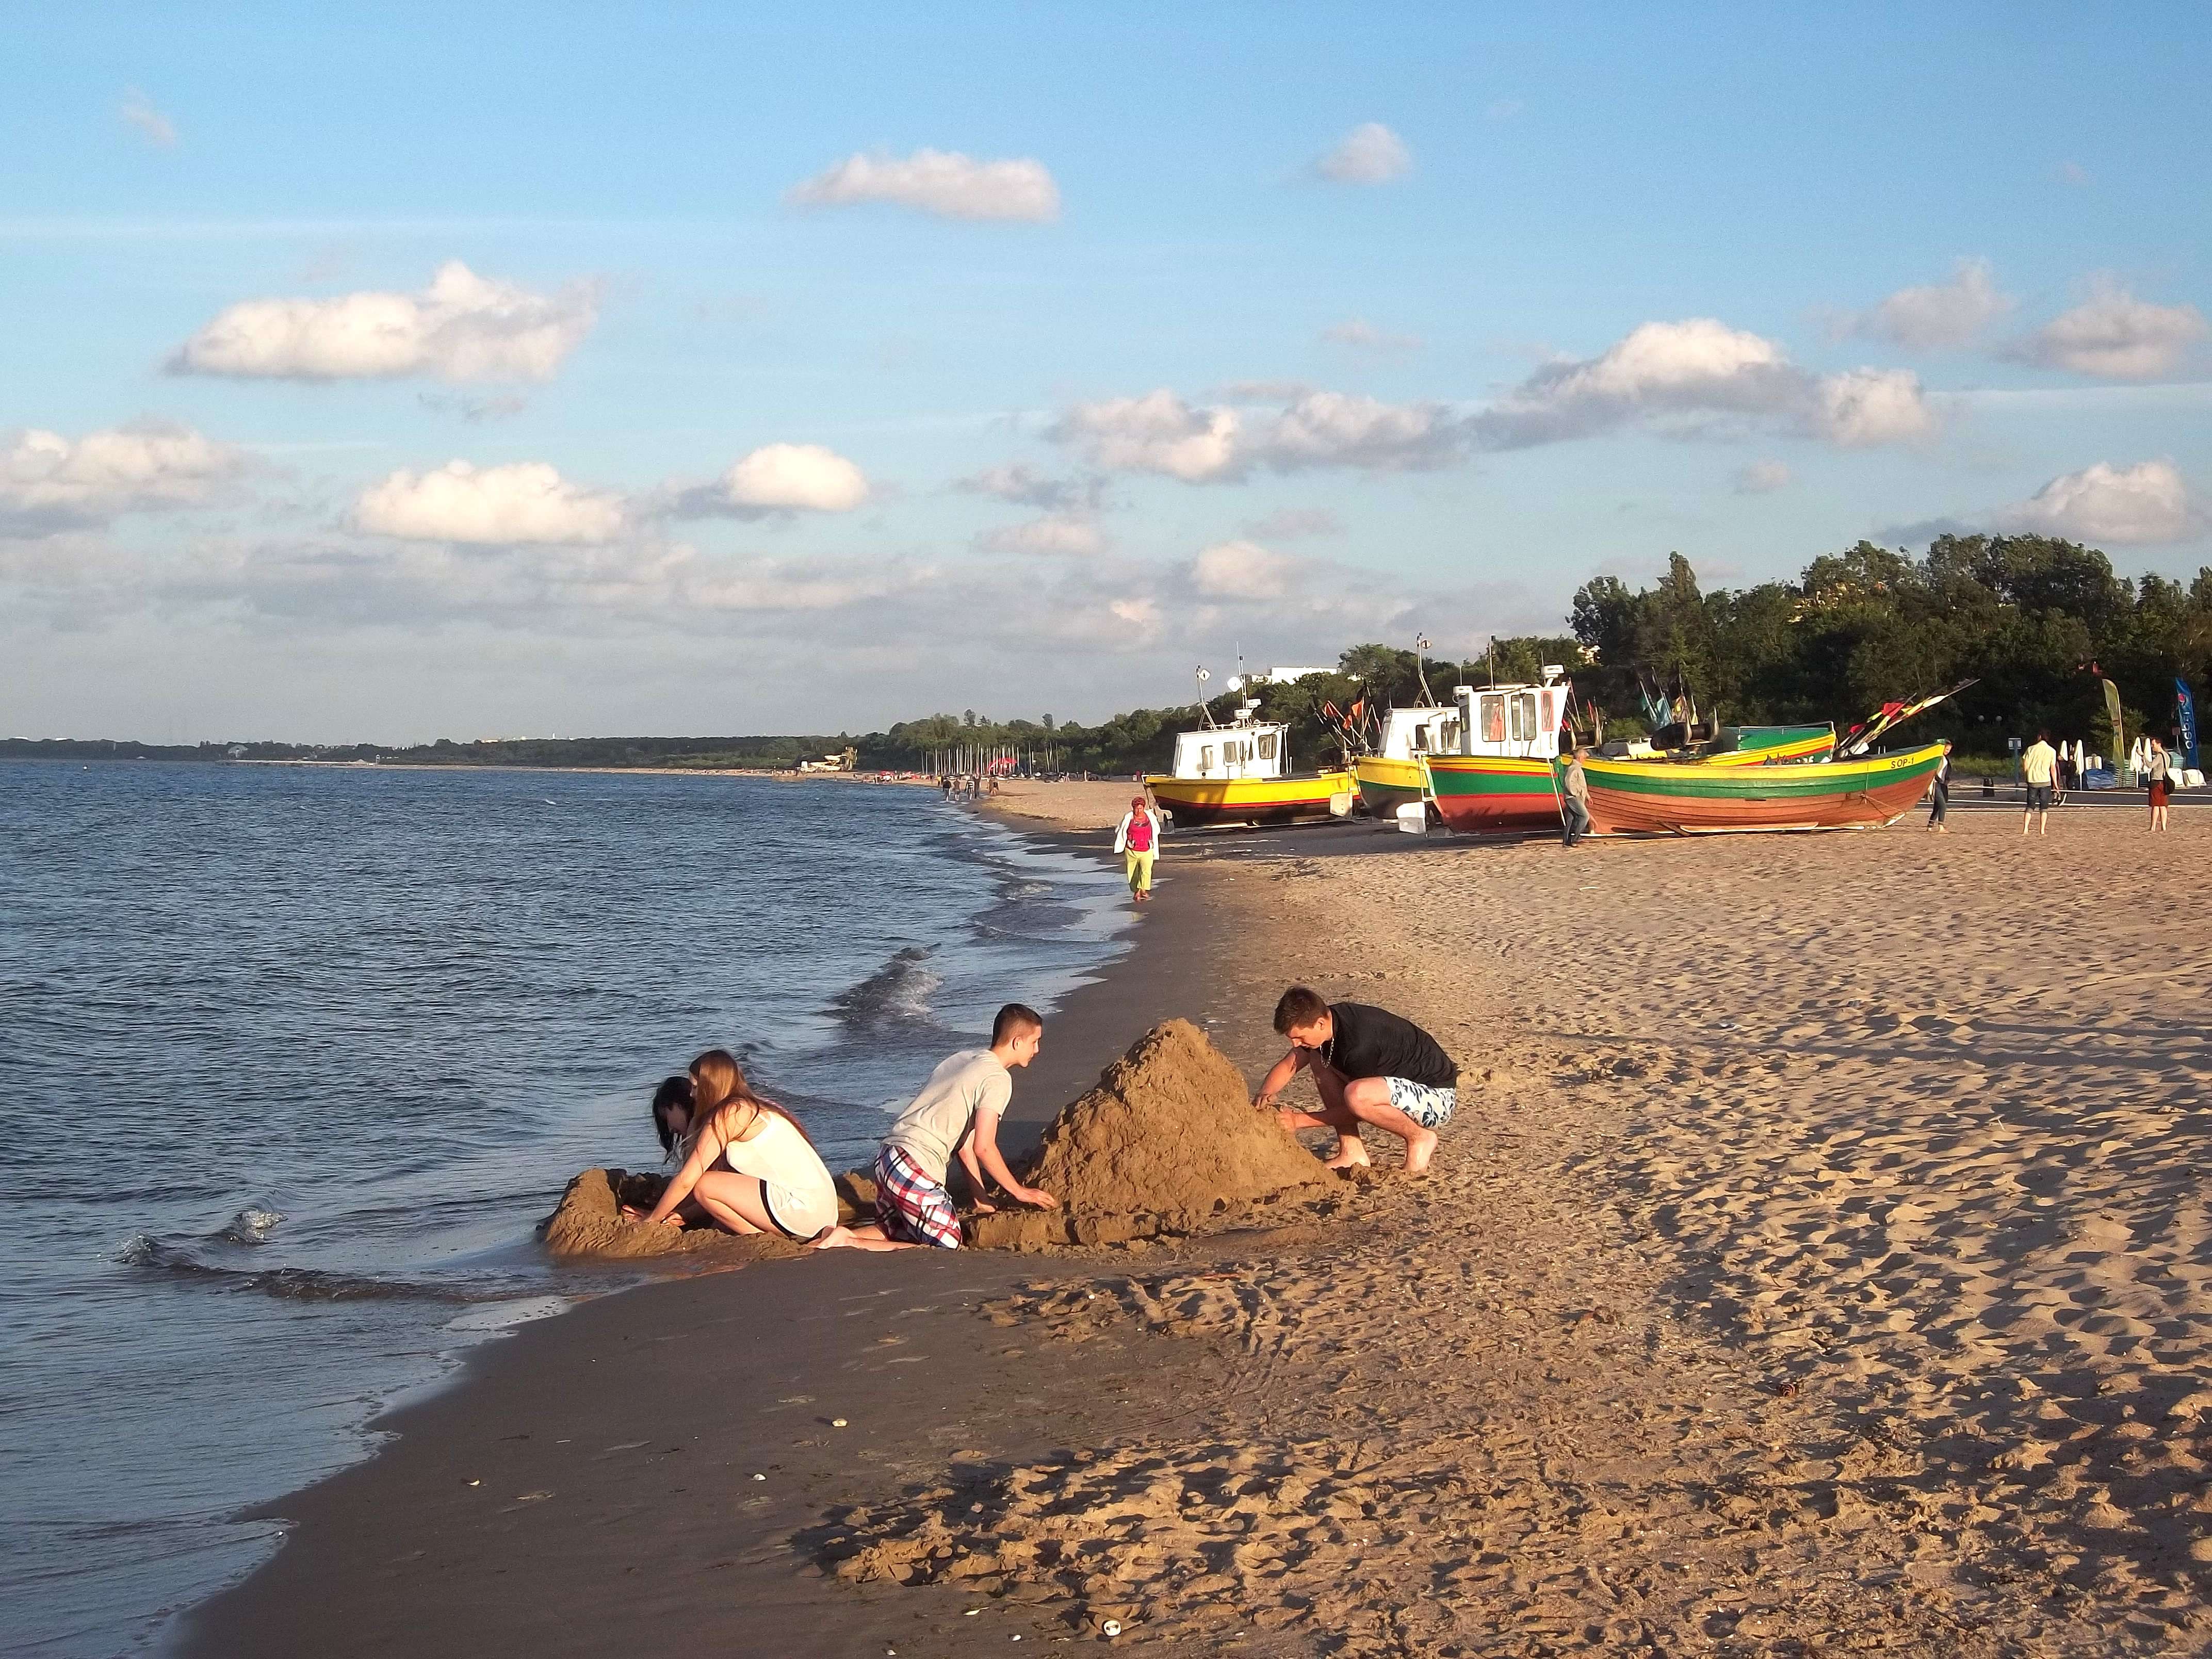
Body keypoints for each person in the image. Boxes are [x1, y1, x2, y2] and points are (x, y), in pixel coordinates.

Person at [814, 1004, 1058, 1251]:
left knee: (899, 1231)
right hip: (914, 1166)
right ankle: (847, 1242)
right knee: (946, 1246)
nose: (1037, 1050)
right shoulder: (997, 1079)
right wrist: (1020, 1192)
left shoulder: (963, 1059)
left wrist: (980, 1199)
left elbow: (964, 1145)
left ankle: (841, 1236)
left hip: (888, 1158)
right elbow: (984, 1146)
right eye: (1034, 1042)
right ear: (1017, 1042)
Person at [628, 1051, 839, 1240]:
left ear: (711, 1086)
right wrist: (680, 1214)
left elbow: (688, 1179)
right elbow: (730, 1189)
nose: (692, 1095)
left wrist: (651, 1221)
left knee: (705, 1185)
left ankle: (760, 1238)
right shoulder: (752, 1107)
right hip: (820, 1211)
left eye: (695, 1087)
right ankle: (765, 1236)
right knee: (715, 1202)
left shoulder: (730, 1114)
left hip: (803, 1209)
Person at [1255, 986, 1459, 1176]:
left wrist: (1298, 1121)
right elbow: (1290, 1063)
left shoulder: (1359, 1044)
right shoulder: (1328, 1023)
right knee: (1317, 1057)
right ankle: (1352, 1152)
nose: (1295, 1043)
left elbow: (1355, 1111)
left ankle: (1419, 1138)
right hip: (1400, 1088)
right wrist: (1265, 1094)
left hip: (1436, 1098)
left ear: (1319, 1023)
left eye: (1299, 1037)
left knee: (1357, 1095)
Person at [1114, 794, 1163, 903]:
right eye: (1137, 808)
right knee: (1133, 872)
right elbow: (1120, 829)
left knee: (1146, 871)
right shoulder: (1129, 817)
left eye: (1141, 808)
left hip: (1147, 849)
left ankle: (1144, 890)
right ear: (1133, 808)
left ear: (1144, 808)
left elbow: (1157, 829)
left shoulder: (1150, 817)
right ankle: (1136, 891)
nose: (1139, 810)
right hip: (1131, 850)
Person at [2021, 730, 2057, 836]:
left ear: (2039, 737)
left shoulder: (2030, 749)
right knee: (2044, 807)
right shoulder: (2052, 751)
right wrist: (2055, 783)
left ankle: (2025, 829)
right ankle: (2042, 831)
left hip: (2032, 780)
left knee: (2030, 806)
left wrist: (2027, 775)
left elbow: (2025, 765)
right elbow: (2053, 768)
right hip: (2045, 781)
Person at [1560, 746, 1593, 848]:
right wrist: (1575, 793)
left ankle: (1567, 842)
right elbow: (1569, 782)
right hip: (1573, 798)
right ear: (1580, 758)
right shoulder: (1574, 768)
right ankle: (1576, 838)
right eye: (1585, 758)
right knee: (1585, 816)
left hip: (1572, 797)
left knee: (1570, 819)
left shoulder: (1575, 768)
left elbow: (1580, 784)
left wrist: (1587, 796)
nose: (1585, 761)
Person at [2147, 737, 2173, 833]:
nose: (2152, 747)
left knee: (2155, 805)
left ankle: (2153, 827)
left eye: (2153, 745)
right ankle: (2164, 827)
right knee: (2163, 805)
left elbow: (2150, 765)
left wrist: (2143, 757)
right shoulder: (2167, 756)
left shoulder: (2159, 756)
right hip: (2164, 783)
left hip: (2157, 782)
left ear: (2159, 745)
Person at [1926, 750, 1950, 833]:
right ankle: (1941, 826)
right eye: (1946, 749)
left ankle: (1930, 826)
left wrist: (1946, 780)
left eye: (1949, 750)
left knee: (1938, 806)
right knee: (1943, 805)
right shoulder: (1938, 758)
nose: (1947, 751)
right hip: (1936, 784)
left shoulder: (1946, 759)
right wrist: (1937, 778)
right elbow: (1934, 770)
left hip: (1942, 784)